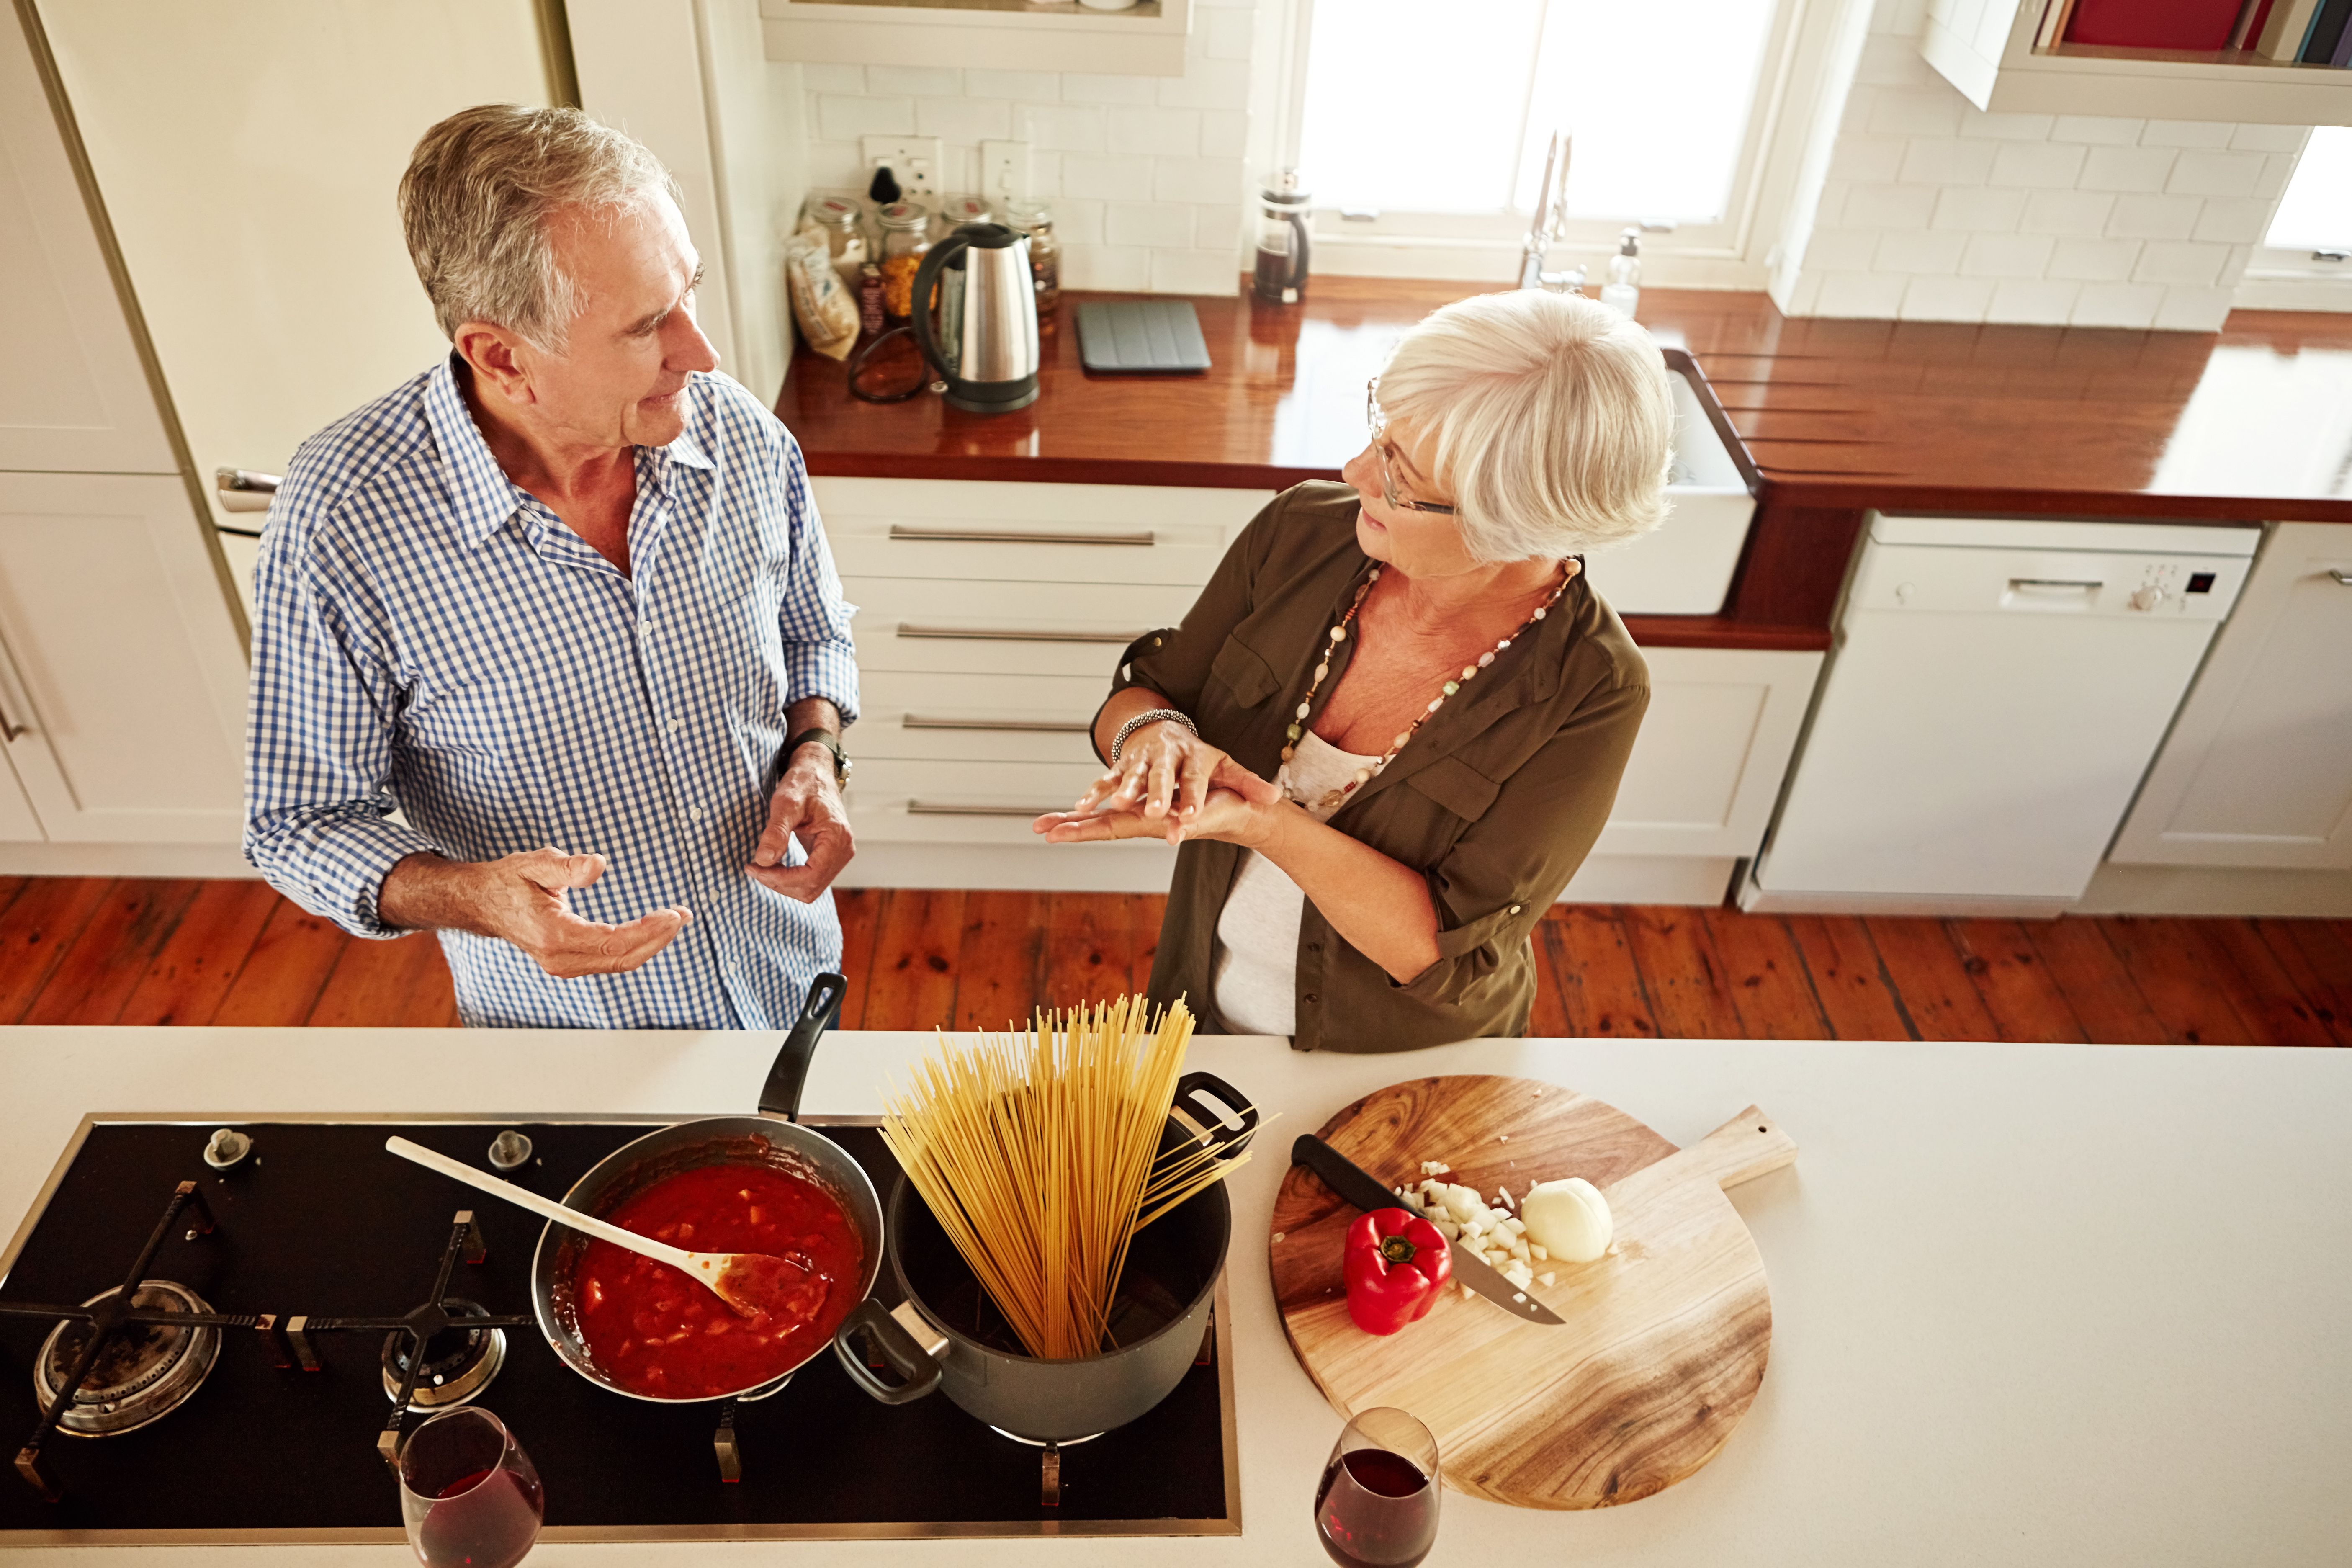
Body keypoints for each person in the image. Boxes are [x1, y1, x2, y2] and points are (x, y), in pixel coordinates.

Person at [244, 105, 858, 1027]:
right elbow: (297, 824)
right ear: (502, 357)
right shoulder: (344, 519)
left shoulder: (739, 435)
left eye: (688, 293)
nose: (702, 351)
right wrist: (474, 896)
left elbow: (812, 628)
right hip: (572, 1039)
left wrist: (817, 753)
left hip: (789, 977)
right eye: (650, 324)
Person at [1035, 290, 1670, 1053]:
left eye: (1398, 476)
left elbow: (1438, 952)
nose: (1354, 469)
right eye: (1379, 433)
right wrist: (1153, 736)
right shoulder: (1301, 531)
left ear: (1513, 526)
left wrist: (1264, 823)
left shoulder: (1592, 687)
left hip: (1396, 1061)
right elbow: (1148, 694)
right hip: (1192, 1013)